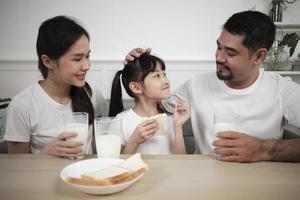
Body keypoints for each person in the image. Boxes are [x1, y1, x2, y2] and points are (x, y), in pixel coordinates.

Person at [125, 11, 300, 162]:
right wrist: (136, 68)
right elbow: (154, 102)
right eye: (218, 47)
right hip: (204, 178)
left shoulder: (283, 90)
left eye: (230, 52)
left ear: (259, 57)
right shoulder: (196, 85)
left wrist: (263, 149)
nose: (219, 57)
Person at [4, 16, 108, 158]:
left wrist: (134, 68)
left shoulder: (92, 94)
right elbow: (16, 167)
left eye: (87, 56)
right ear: (48, 61)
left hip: (86, 178)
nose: (87, 66)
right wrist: (45, 154)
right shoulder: (23, 105)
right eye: (77, 59)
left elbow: (109, 138)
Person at [109, 53, 190, 154]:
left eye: (164, 74)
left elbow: (182, 163)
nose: (166, 81)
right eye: (157, 76)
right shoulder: (121, 121)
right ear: (136, 87)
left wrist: (178, 127)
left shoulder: (171, 121)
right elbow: (115, 163)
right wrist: (134, 141)